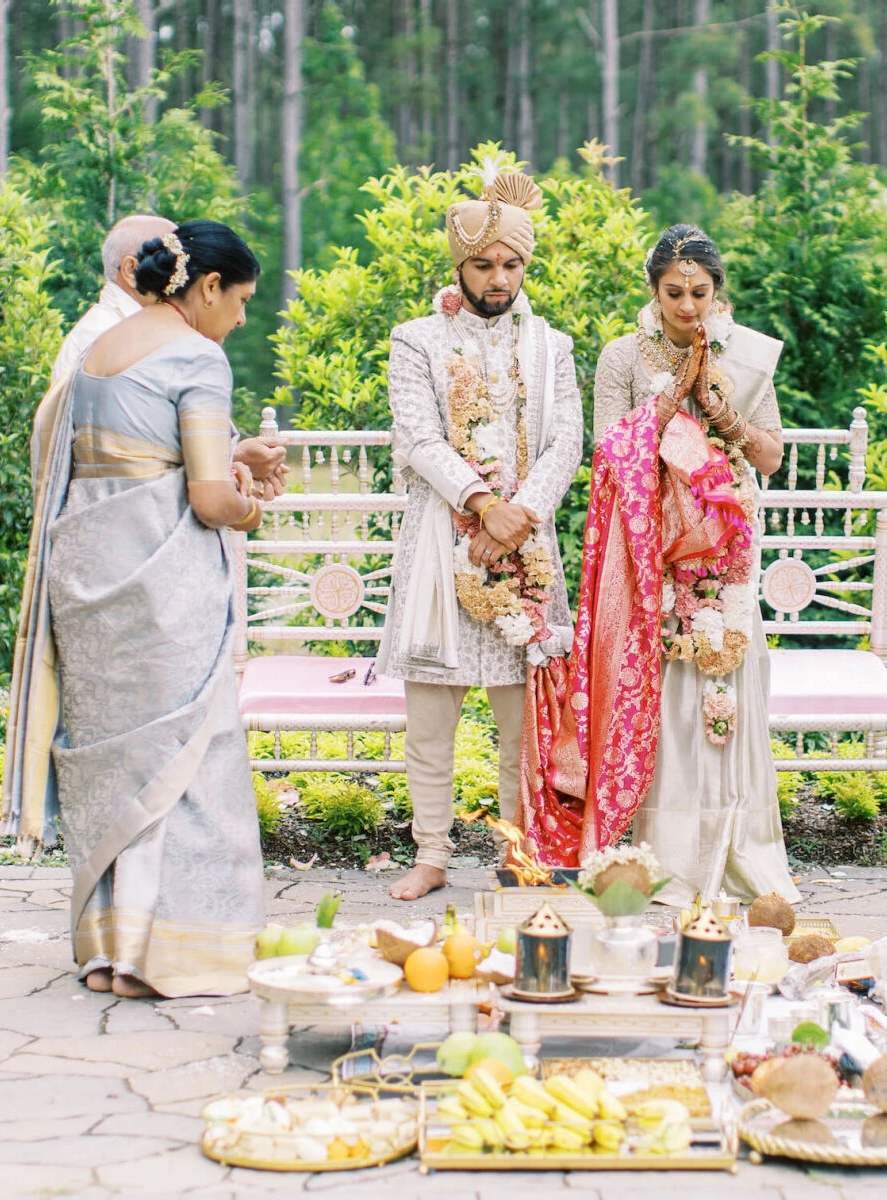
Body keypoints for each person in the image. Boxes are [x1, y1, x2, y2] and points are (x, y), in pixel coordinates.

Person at [4, 220, 269, 999]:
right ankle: (168, 956)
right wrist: (251, 505)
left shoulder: (95, 352)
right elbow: (210, 494)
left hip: (86, 574)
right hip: (161, 582)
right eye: (242, 299)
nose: (243, 318)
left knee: (116, 757)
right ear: (208, 287)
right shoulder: (197, 355)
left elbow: (109, 461)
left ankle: (105, 951)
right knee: (187, 756)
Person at [531, 224, 798, 906]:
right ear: (653, 291)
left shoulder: (745, 357)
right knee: (658, 682)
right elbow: (606, 452)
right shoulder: (623, 356)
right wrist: (670, 403)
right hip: (647, 550)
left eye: (701, 293)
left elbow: (770, 457)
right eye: (674, 292)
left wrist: (724, 417)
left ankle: (727, 845)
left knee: (719, 685)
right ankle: (654, 847)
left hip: (724, 551)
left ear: (719, 292)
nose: (688, 307)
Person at [373, 167, 581, 902]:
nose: (499, 277)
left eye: (512, 264)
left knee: (521, 724)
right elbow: (418, 435)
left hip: (526, 554)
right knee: (431, 722)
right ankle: (431, 855)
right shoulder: (417, 339)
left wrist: (517, 513)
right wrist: (479, 502)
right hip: (440, 549)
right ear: (457, 266)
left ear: (526, 266)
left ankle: (518, 851)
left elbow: (566, 443)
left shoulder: (551, 346)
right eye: (484, 264)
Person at [43, 213, 287, 488]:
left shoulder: (150, 332)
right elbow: (116, 462)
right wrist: (231, 466)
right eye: (164, 260)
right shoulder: (101, 334)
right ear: (131, 270)